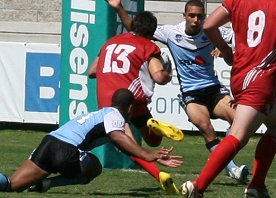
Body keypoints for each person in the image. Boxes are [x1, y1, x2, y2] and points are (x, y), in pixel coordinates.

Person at [106, 0, 249, 183]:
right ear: (184, 16)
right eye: (192, 16)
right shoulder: (171, 33)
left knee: (241, 121)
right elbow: (136, 30)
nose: (196, 20)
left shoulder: (213, 30)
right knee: (206, 127)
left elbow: (241, 37)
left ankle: (218, 154)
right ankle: (232, 168)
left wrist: (230, 50)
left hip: (214, 89)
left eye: (200, 16)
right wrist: (119, 7)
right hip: (191, 94)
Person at [180, 0, 276, 197]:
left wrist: (226, 50)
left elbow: (209, 24)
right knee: (238, 135)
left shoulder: (238, 0)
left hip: (240, 74)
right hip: (260, 76)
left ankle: (257, 185)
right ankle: (198, 186)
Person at [0, 89, 183, 193]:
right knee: (95, 167)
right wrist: (149, 154)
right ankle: (47, 184)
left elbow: (125, 144)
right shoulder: (115, 115)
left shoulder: (102, 113)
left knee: (11, 185)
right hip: (67, 149)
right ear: (130, 107)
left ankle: (43, 184)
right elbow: (117, 137)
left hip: (49, 142)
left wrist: (146, 156)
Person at [88, 11, 184, 194]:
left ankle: (159, 175)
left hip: (114, 102)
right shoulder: (148, 46)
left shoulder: (109, 43)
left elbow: (92, 71)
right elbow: (158, 76)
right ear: (152, 31)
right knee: (153, 141)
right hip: (133, 99)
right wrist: (168, 72)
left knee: (128, 146)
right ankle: (152, 125)